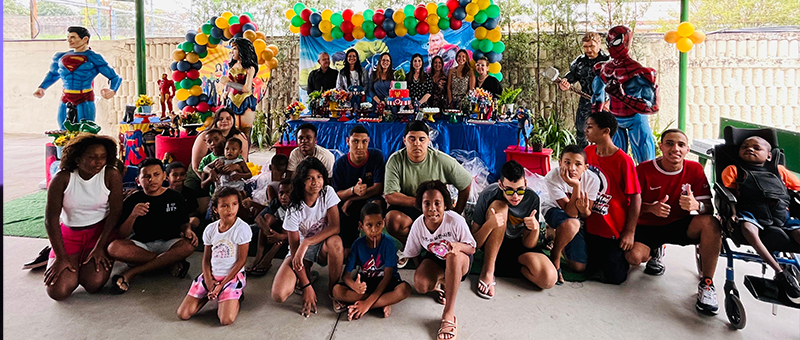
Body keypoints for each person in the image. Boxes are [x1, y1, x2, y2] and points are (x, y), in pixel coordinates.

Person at [625, 129, 722, 314]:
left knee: (711, 223)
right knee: (634, 258)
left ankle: (707, 283)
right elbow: (627, 206)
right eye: (669, 143)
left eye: (681, 145)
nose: (675, 148)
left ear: (687, 150)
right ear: (660, 146)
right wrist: (650, 208)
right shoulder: (643, 170)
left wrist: (696, 205)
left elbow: (709, 209)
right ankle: (655, 251)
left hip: (680, 223)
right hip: (647, 226)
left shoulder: (694, 169)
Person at [721, 136, 800, 303]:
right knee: (748, 229)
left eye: (756, 148)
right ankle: (780, 272)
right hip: (751, 213)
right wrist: (731, 213)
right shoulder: (734, 170)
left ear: (769, 156)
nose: (750, 149)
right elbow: (728, 194)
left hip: (781, 216)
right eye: (745, 147)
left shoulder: (779, 171)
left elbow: (797, 188)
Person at [42, 134, 123, 300]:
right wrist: (61, 257)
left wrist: (100, 246)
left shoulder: (111, 174)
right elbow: (51, 220)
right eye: (92, 157)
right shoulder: (62, 179)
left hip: (100, 233)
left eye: (102, 157)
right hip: (69, 235)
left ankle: (84, 261)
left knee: (93, 283)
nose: (98, 162)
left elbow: (115, 212)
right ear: (77, 159)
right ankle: (62, 257)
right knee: (58, 291)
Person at [384, 122, 472, 261]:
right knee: (392, 220)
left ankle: (431, 248)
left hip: (435, 208)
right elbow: (390, 195)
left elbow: (466, 183)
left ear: (428, 141)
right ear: (404, 140)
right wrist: (419, 202)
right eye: (412, 139)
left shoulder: (441, 160)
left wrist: (456, 212)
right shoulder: (395, 160)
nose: (417, 144)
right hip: (410, 205)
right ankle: (412, 247)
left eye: (421, 139)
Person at [107, 158, 198, 294]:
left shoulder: (175, 197)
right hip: (142, 246)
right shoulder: (132, 200)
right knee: (113, 248)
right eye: (146, 176)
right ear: (138, 180)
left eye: (156, 174)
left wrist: (188, 230)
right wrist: (133, 215)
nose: (151, 179)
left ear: (164, 176)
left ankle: (132, 272)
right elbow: (122, 234)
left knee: (189, 246)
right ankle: (168, 262)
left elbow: (184, 223)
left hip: (169, 242)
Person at [271, 158, 345, 317]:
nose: (316, 182)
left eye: (319, 177)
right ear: (301, 181)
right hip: (300, 251)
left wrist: (307, 242)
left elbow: (335, 227)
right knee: (278, 295)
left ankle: (333, 290)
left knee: (336, 242)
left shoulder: (327, 192)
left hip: (321, 245)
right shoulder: (294, 208)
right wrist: (306, 287)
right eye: (309, 178)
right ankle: (307, 276)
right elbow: (295, 250)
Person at [472, 160, 557, 299]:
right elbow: (474, 244)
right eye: (510, 190)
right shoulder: (488, 194)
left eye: (520, 190)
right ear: (500, 185)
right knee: (500, 206)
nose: (515, 196)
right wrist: (489, 225)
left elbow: (528, 244)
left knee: (549, 279)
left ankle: (506, 267)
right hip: (491, 245)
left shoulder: (532, 198)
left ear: (526, 184)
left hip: (518, 247)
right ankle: (488, 270)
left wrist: (535, 229)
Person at [403, 180, 476, 340]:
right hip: (436, 259)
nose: (432, 208)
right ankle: (444, 282)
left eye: (437, 203)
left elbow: (472, 248)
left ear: (445, 205)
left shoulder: (455, 220)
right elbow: (413, 253)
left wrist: (458, 246)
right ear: (420, 205)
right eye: (427, 203)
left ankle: (448, 313)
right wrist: (422, 270)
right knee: (421, 285)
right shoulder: (418, 225)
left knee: (452, 256)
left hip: (460, 259)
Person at [177, 187, 252, 326]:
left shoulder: (242, 228)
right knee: (183, 314)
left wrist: (221, 285)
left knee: (226, 319)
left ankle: (236, 296)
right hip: (211, 275)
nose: (230, 209)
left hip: (231, 277)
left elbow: (241, 261)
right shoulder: (210, 229)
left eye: (234, 204)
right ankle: (210, 294)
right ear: (215, 209)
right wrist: (209, 281)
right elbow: (206, 259)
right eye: (224, 206)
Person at [582, 111, 641, 284]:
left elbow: (636, 197)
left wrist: (630, 232)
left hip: (612, 230)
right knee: (586, 269)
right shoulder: (587, 152)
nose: (586, 130)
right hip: (589, 226)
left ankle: (651, 250)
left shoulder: (623, 161)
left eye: (590, 127)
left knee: (615, 278)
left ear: (605, 131)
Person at [332, 203, 412, 320]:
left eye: (378, 224)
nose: (374, 230)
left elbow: (387, 277)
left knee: (404, 289)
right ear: (361, 226)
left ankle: (364, 305)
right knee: (336, 291)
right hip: (367, 283)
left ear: (383, 223)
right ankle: (383, 302)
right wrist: (354, 286)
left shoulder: (388, 244)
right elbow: (346, 275)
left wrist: (366, 304)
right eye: (369, 225)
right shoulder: (357, 245)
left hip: (386, 284)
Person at [592, 25, 658, 164]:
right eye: (609, 42)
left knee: (645, 163)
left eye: (615, 41)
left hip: (636, 118)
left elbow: (652, 106)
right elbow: (597, 97)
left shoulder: (639, 72)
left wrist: (622, 97)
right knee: (614, 163)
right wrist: (596, 123)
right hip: (614, 118)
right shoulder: (604, 69)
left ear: (627, 41)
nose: (611, 46)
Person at [33, 26, 122, 129]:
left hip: (85, 97)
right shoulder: (60, 57)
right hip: (66, 97)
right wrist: (42, 87)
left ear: (85, 39)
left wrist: (112, 90)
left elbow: (115, 77)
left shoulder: (94, 58)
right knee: (63, 129)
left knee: (86, 129)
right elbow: (53, 73)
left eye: (73, 37)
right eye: (68, 37)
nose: (69, 40)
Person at [541, 146, 601, 285]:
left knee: (578, 266)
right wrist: (576, 186)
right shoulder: (552, 177)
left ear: (585, 167)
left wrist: (585, 211)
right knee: (572, 223)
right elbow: (570, 213)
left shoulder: (593, 180)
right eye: (567, 162)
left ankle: (557, 235)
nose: (572, 168)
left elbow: (586, 213)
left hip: (576, 219)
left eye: (578, 164)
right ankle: (555, 256)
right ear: (560, 162)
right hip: (553, 210)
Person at [332, 125, 386, 252]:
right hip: (346, 205)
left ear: (368, 141)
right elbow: (336, 194)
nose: (360, 146)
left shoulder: (376, 156)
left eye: (364, 142)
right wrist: (352, 190)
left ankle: (376, 242)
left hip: (367, 199)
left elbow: (378, 188)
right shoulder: (340, 164)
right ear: (347, 141)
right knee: (346, 251)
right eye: (355, 141)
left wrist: (352, 198)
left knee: (376, 204)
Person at [186, 108, 250, 210]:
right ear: (215, 121)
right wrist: (211, 180)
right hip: (200, 175)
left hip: (225, 179)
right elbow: (196, 166)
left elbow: (242, 163)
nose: (224, 121)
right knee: (202, 208)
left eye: (228, 118)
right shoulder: (205, 136)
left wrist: (236, 169)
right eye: (220, 119)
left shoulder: (239, 137)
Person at [558, 32, 610, 148]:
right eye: (586, 47)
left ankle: (604, 156)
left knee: (605, 132)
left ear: (599, 44)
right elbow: (569, 78)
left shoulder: (608, 62)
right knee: (581, 130)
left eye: (591, 46)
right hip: (586, 102)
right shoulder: (579, 62)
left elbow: (618, 84)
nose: (588, 50)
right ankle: (583, 155)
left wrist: (610, 101)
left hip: (605, 103)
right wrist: (564, 84)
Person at [246, 178, 292, 277]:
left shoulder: (297, 206)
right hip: (276, 230)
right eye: (281, 193)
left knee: (285, 229)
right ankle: (259, 256)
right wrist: (269, 232)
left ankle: (268, 259)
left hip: (288, 234)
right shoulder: (276, 203)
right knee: (267, 218)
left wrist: (279, 236)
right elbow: (258, 218)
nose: (283, 197)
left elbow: (301, 231)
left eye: (288, 193)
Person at [219, 37, 258, 138]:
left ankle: (245, 148)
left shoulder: (250, 68)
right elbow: (229, 82)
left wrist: (227, 82)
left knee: (245, 131)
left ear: (242, 50)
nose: (232, 52)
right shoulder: (232, 66)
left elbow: (246, 88)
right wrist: (225, 92)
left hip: (245, 100)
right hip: (231, 100)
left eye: (235, 49)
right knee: (233, 131)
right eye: (231, 49)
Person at [165, 161, 201, 230]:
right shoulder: (164, 193)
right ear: (167, 177)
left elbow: (194, 211)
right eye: (175, 175)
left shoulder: (189, 192)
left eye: (182, 174)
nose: (179, 177)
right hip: (168, 221)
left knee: (195, 220)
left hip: (184, 221)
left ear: (185, 176)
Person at [197, 129, 227, 196]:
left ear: (223, 139)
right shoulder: (206, 160)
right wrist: (211, 177)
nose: (213, 143)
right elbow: (203, 185)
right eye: (209, 142)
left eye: (216, 139)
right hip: (216, 195)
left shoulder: (233, 155)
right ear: (207, 145)